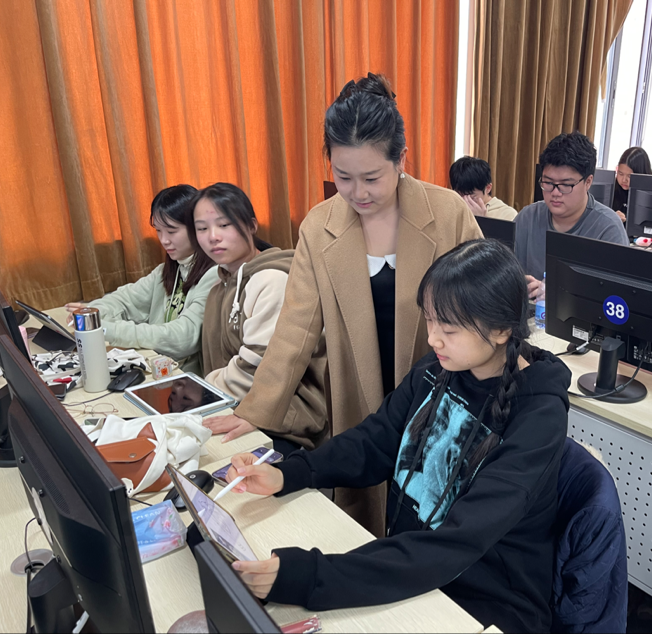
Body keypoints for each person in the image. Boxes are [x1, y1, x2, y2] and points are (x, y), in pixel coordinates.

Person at [224, 239, 571, 634]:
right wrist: (288, 473)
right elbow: (375, 440)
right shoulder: (440, 367)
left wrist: (308, 576)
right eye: (430, 320)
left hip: (483, 603)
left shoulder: (538, 415)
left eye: (449, 328)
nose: (433, 338)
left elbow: (458, 541)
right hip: (415, 576)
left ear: (501, 329)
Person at [203, 74, 483, 536]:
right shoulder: (319, 227)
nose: (358, 193)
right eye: (343, 177)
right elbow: (295, 330)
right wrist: (253, 410)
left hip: (441, 383)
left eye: (372, 177)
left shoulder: (448, 212)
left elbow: (483, 300)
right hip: (361, 390)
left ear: (401, 159)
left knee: (433, 508)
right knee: (365, 504)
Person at [190, 183, 327, 446]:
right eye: (202, 229)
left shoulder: (272, 280)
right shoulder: (221, 284)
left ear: (251, 226)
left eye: (224, 225)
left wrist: (204, 390)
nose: (213, 237)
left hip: (285, 418)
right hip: (234, 403)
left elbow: (257, 367)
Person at [65, 185, 218, 374]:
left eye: (171, 231)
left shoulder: (214, 275)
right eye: (158, 231)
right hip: (160, 368)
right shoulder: (168, 270)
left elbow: (183, 338)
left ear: (197, 228)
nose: (164, 240)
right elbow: (123, 299)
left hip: (189, 378)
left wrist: (104, 329)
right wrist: (93, 314)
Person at [515, 132, 629, 298]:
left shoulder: (608, 229)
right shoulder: (527, 217)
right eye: (548, 183)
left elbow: (616, 298)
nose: (555, 193)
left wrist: (558, 296)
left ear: (588, 182)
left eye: (566, 185)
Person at [449, 156, 517, 220]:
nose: (465, 201)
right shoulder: (451, 209)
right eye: (459, 195)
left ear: (488, 188)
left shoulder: (507, 215)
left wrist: (480, 219)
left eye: (471, 196)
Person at [611, 147, 652, 222]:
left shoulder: (649, 196)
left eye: (629, 176)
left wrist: (627, 219)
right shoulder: (611, 189)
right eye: (620, 173)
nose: (624, 180)